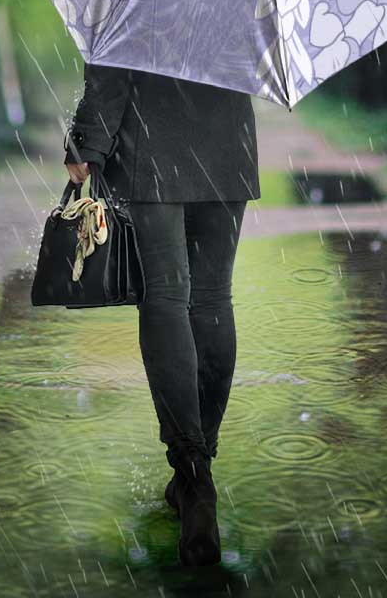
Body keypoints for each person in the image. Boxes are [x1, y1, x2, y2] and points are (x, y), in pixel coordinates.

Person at [63, 61, 260, 567]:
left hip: (153, 140)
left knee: (166, 296)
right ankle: (200, 471)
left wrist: (88, 139)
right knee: (214, 297)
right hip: (226, 138)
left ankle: (192, 472)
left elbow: (113, 56)